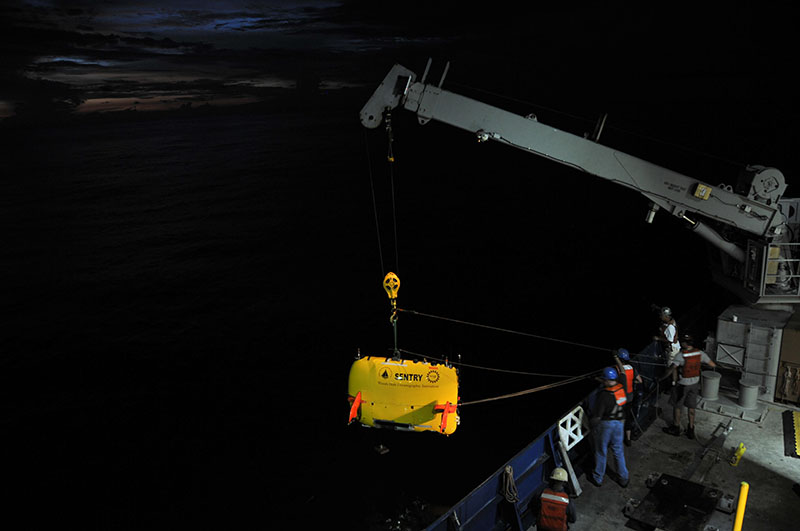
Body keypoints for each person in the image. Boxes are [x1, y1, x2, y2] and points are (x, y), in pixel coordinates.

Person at [662, 334, 717, 439]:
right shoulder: (700, 353)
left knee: (677, 406)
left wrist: (661, 378)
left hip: (682, 386)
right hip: (694, 385)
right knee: (691, 407)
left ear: (684, 343)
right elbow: (712, 364)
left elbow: (671, 369)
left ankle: (676, 427)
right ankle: (691, 429)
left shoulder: (680, 355)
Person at [588, 367, 629, 488]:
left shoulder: (603, 395)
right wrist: (599, 379)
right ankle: (624, 477)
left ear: (605, 380)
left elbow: (598, 417)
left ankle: (598, 477)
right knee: (618, 451)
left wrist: (591, 425)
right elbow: (621, 374)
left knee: (601, 451)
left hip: (606, 425)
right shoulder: (622, 386)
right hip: (620, 423)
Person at [614, 348, 643, 446]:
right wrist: (632, 382)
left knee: (619, 417)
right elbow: (640, 380)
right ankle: (628, 439)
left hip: (620, 397)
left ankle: (617, 439)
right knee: (628, 418)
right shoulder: (632, 368)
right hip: (630, 397)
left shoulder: (617, 369)